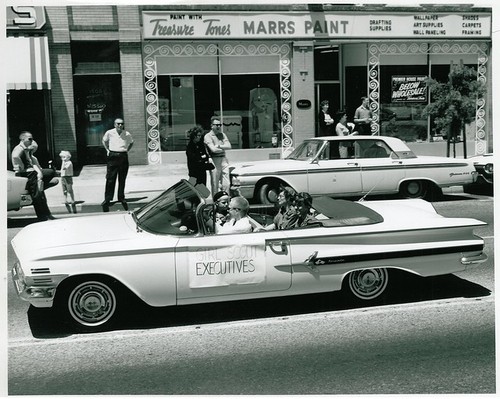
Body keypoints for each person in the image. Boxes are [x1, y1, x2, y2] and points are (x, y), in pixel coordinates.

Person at [11, 131, 55, 221]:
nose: (32, 140)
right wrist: (22, 166)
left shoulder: (26, 149)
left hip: (31, 172)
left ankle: (46, 214)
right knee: (37, 194)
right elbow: (15, 157)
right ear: (23, 139)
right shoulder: (19, 148)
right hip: (28, 173)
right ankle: (42, 217)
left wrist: (39, 173)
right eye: (30, 139)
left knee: (40, 192)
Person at [101, 118, 134, 212]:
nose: (120, 125)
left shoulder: (126, 133)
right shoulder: (109, 132)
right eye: (118, 124)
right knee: (110, 179)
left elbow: (131, 142)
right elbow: (104, 141)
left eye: (121, 124)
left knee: (122, 178)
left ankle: (121, 197)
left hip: (123, 156)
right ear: (114, 124)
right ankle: (107, 199)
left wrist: (127, 150)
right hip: (113, 156)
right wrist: (107, 150)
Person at [204, 116, 232, 193]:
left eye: (220, 125)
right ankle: (216, 202)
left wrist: (219, 146)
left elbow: (229, 146)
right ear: (212, 126)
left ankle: (226, 199)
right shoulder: (208, 136)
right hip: (214, 159)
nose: (219, 126)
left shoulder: (222, 135)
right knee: (215, 182)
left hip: (223, 159)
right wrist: (223, 148)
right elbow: (213, 150)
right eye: (217, 125)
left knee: (227, 183)